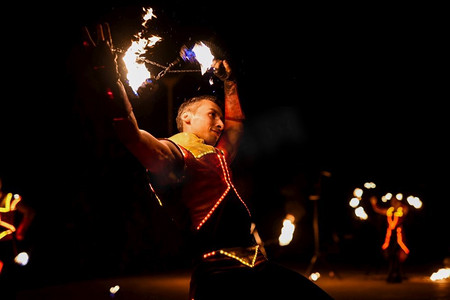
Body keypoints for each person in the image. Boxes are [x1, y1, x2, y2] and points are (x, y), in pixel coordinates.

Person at [77, 23, 333, 299]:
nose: (221, 123)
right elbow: (131, 134)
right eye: (213, 114)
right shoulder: (174, 153)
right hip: (220, 275)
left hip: (257, 267)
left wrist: (230, 82)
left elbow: (236, 125)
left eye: (220, 117)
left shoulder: (218, 154)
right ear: (187, 118)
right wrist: (108, 75)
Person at [0, 177, 35, 298]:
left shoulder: (9, 198)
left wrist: (21, 231)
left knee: (8, 276)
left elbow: (29, 212)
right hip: (6, 244)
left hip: (6, 243)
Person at [370, 194, 409, 283]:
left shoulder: (402, 209)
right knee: (391, 255)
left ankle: (399, 275)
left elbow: (406, 209)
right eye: (393, 202)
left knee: (399, 254)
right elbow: (378, 210)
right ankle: (391, 274)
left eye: (395, 201)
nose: (394, 203)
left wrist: (400, 204)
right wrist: (374, 203)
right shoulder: (389, 211)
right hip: (390, 236)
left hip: (399, 235)